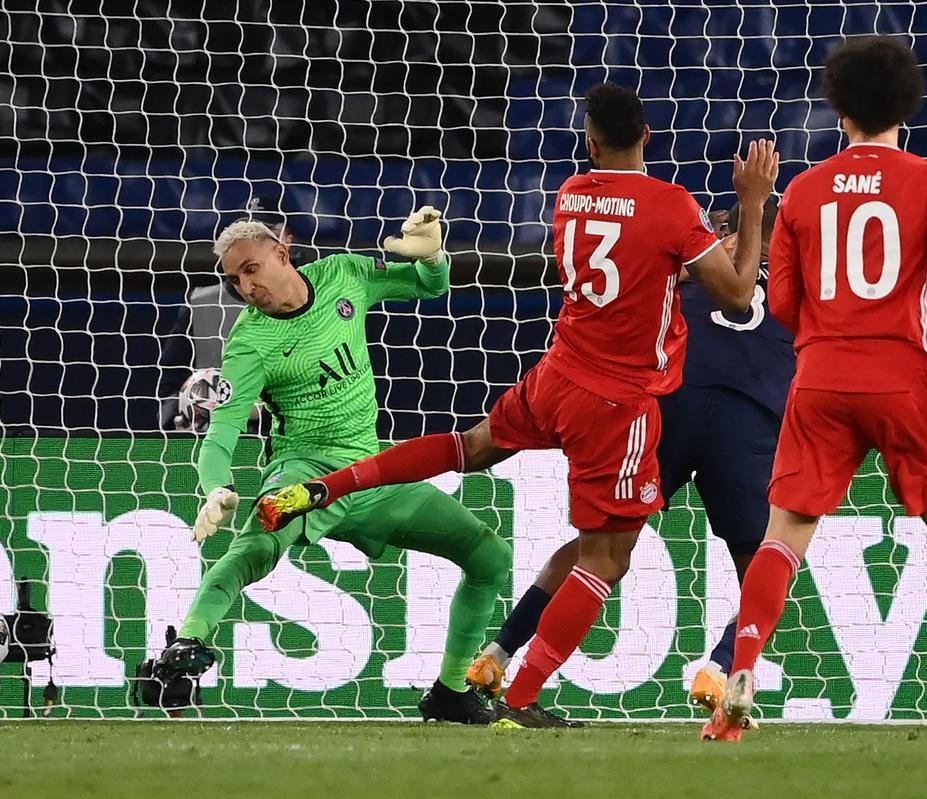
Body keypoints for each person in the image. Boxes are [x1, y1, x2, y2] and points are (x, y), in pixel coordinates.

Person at [257, 81, 779, 727]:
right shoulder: (672, 207)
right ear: (648, 136)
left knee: (470, 447)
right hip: (618, 403)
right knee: (605, 559)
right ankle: (524, 696)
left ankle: (325, 486)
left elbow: (639, 266)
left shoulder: (570, 197)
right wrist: (752, 206)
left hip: (555, 374)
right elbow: (733, 296)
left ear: (589, 142)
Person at [705, 36, 927, 744]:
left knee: (785, 535)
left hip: (818, 379)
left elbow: (781, 303)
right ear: (907, 105)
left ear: (839, 110)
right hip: (902, 375)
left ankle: (742, 674)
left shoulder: (805, 191)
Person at [155, 208, 512, 724]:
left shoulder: (343, 275)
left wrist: (435, 254)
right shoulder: (249, 345)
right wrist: (215, 488)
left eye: (250, 269)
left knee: (490, 558)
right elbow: (221, 434)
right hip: (305, 478)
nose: (244, 286)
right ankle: (187, 644)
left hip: (374, 476)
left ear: (281, 253)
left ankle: (451, 692)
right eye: (234, 279)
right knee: (253, 549)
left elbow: (429, 286)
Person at [461, 197, 794, 729]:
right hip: (747, 420)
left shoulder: (701, 261)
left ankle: (499, 653)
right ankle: (721, 667)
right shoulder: (801, 277)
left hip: (669, 405)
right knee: (766, 567)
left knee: (603, 548)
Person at [157, 198, 300, 431]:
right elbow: (169, 386)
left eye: (266, 233)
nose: (254, 241)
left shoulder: (313, 297)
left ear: (287, 241)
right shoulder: (201, 303)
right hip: (212, 438)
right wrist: (183, 411)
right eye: (246, 232)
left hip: (291, 439)